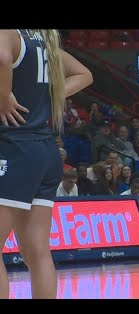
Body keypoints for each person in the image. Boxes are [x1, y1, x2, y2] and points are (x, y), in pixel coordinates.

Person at [0, 29, 93, 299]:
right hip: (46, 151)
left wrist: (4, 95)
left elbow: (3, 57)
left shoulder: (9, 33)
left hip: (16, 148)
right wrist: (54, 93)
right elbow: (85, 74)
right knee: (36, 251)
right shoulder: (44, 41)